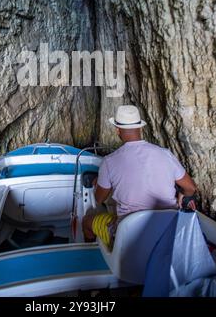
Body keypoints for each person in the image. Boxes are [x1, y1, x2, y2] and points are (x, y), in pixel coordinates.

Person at [82, 105, 197, 248]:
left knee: (87, 221)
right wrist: (181, 194)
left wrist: (97, 185)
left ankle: (91, 258)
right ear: (140, 128)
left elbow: (99, 199)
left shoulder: (109, 162)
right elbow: (191, 187)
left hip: (130, 233)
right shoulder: (165, 154)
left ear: (117, 130)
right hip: (167, 229)